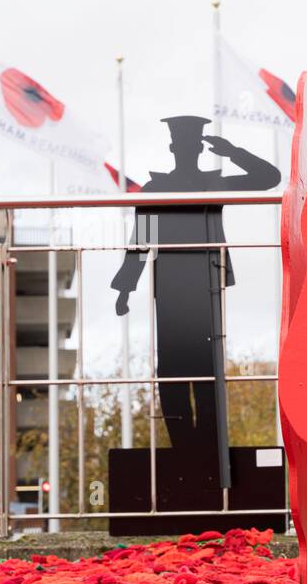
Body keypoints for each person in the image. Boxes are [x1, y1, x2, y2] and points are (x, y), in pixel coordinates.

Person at [111, 116, 280, 485]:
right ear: (174, 149)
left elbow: (269, 178)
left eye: (193, 145)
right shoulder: (157, 189)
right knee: (171, 377)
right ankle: (186, 455)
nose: (187, 150)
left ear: (199, 149)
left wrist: (233, 152)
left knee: (207, 376)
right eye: (182, 144)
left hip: (207, 283)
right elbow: (142, 239)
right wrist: (126, 286)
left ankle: (207, 460)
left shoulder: (210, 182)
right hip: (171, 287)